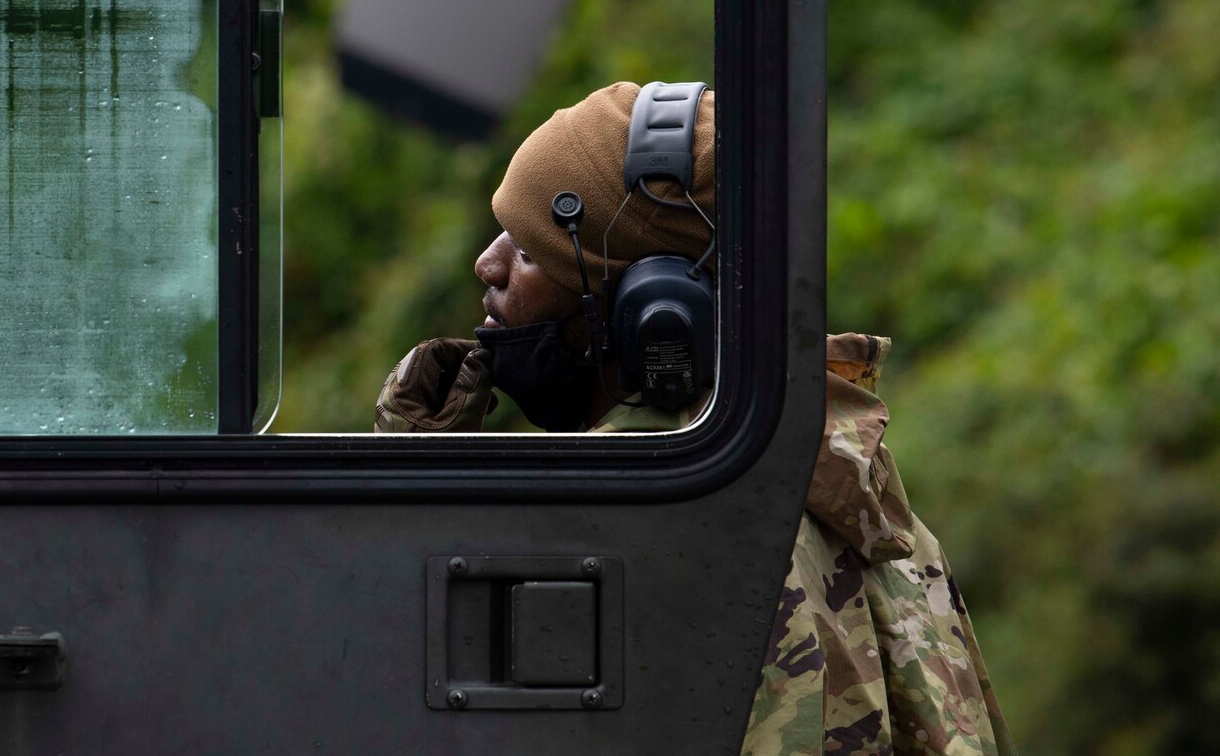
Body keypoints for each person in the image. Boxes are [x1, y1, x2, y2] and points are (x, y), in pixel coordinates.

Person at [376, 81, 1015, 755]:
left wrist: (414, 498)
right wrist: (434, 467)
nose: (489, 263)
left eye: (531, 250)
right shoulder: (826, 471)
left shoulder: (651, 517)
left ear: (652, 308)